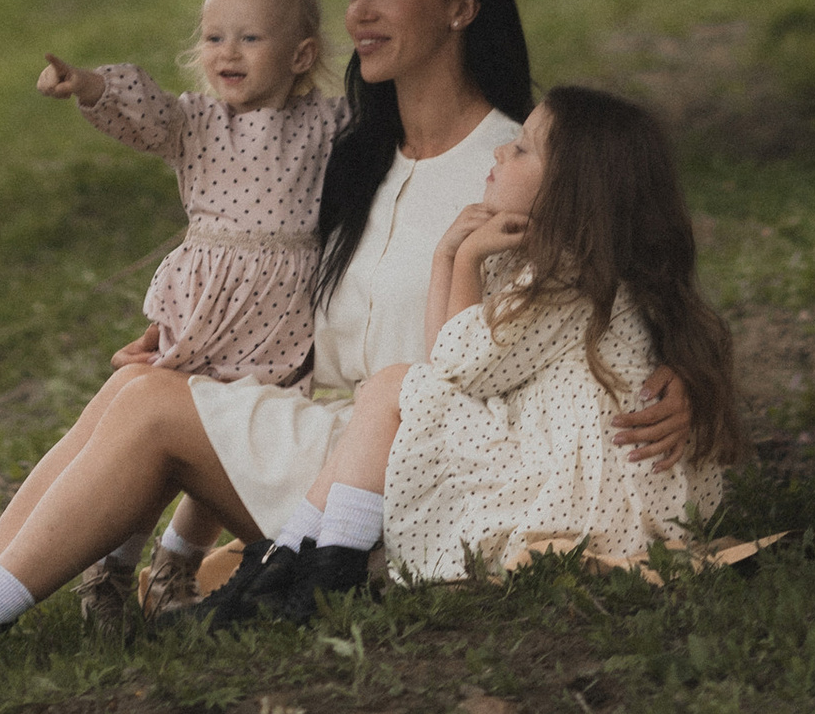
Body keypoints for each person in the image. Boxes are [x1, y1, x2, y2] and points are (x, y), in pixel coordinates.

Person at [0, 0, 699, 706]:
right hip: (330, 448)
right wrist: (195, 340)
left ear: (462, 6)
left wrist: (681, 378)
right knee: (141, 387)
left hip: (420, 483)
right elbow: (280, 298)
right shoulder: (348, 155)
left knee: (148, 411)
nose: (361, 12)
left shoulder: (518, 165)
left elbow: (621, 289)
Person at [276, 83, 742, 607]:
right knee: (394, 390)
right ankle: (290, 567)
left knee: (388, 388)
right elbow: (446, 363)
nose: (501, 151)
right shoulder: (562, 267)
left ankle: (309, 572)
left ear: (571, 188)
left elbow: (452, 368)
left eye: (521, 149)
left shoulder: (567, 279)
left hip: (586, 505)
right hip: (583, 484)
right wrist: (446, 256)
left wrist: (465, 257)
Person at [38, 0, 347, 620]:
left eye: (249, 37)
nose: (225, 52)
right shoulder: (197, 123)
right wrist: (90, 85)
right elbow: (142, 114)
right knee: (169, 437)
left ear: (300, 56)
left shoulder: (326, 125)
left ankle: (176, 566)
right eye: (213, 37)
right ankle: (112, 569)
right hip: (209, 308)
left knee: (231, 443)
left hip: (286, 318)